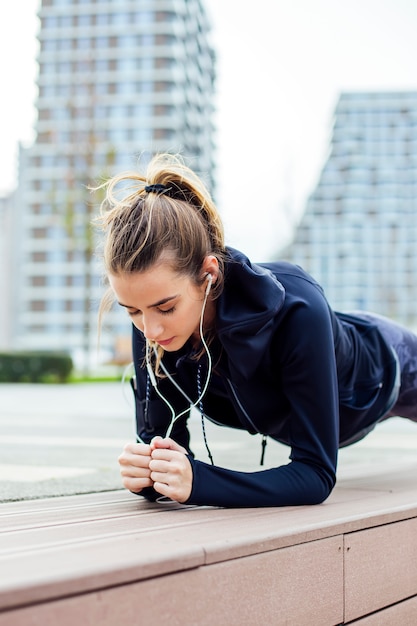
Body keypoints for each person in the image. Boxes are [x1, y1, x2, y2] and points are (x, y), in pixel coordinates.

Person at [96, 153, 417, 508]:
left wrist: (199, 481)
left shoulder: (298, 310)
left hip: (388, 365)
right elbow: (165, 452)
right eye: (133, 311)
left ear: (209, 274)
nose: (151, 329)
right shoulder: (151, 322)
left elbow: (316, 475)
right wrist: (148, 476)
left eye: (166, 308)